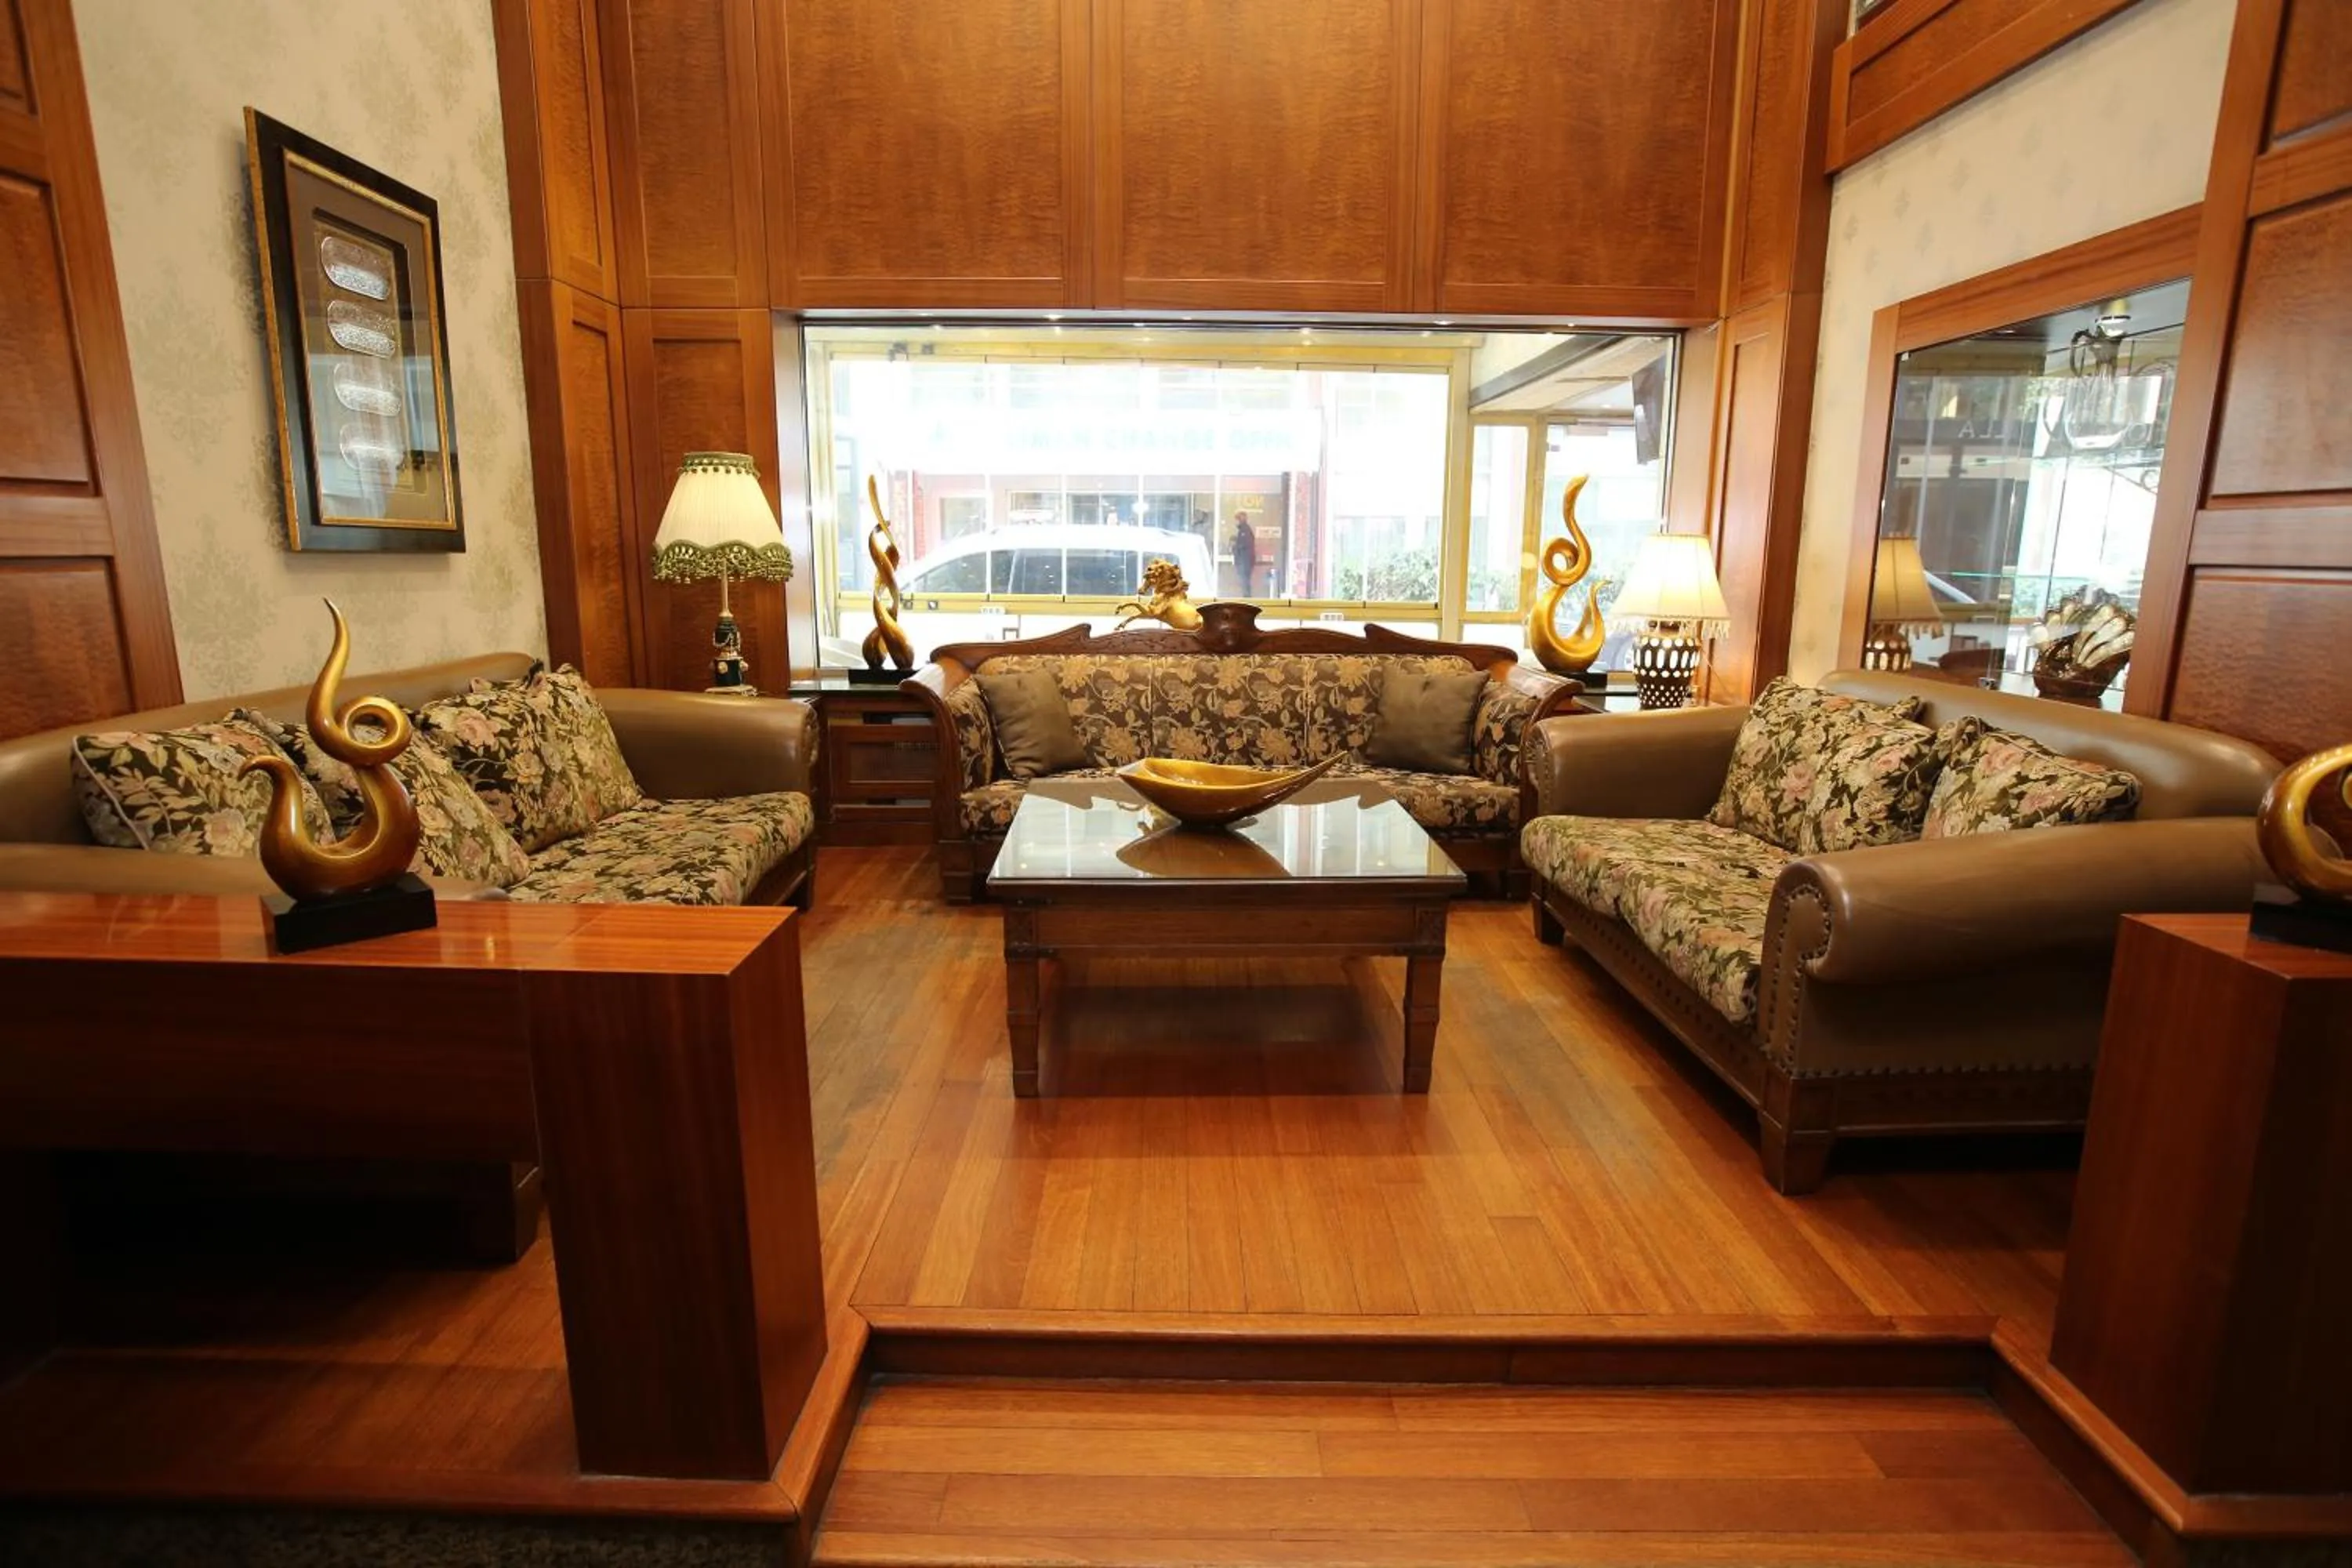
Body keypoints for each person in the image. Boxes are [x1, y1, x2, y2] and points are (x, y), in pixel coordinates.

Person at [1229, 513, 1258, 597]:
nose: (1235, 523)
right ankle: (1247, 597)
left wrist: (1234, 547)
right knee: (1245, 582)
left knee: (1245, 582)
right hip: (1245, 561)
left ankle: (1247, 599)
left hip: (1245, 562)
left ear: (1240, 520)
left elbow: (1244, 545)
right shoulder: (1244, 530)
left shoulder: (1245, 530)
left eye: (1236, 520)